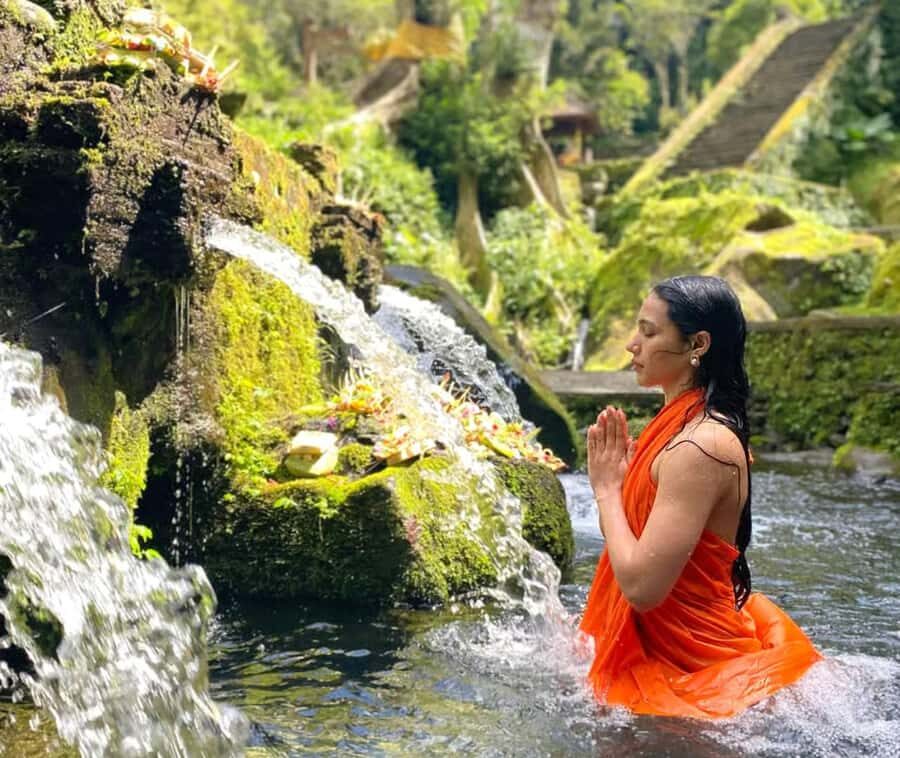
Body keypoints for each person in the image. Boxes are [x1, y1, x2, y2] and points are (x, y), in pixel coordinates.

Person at [579, 275, 821, 720]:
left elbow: (642, 589)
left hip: (698, 673)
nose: (633, 344)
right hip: (674, 656)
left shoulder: (700, 446)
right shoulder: (676, 427)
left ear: (698, 344)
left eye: (649, 333)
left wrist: (608, 491)